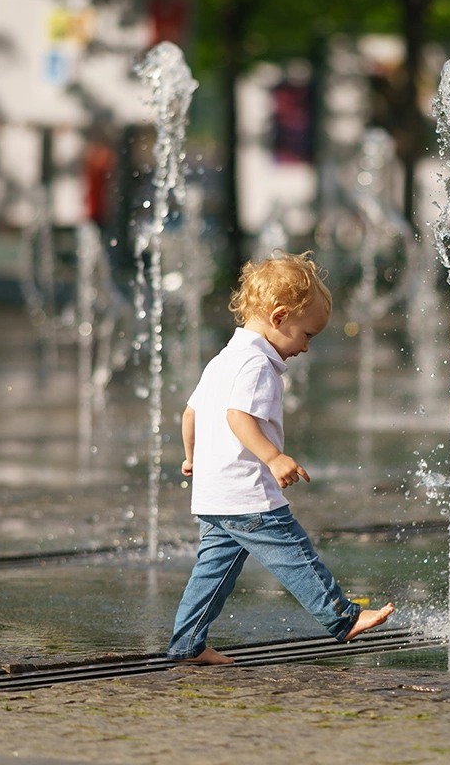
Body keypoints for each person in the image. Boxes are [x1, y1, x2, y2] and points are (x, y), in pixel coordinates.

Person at [167, 251, 395, 665]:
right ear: (279, 317)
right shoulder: (257, 365)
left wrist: (191, 456)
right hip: (248, 493)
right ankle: (343, 618)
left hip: (213, 496)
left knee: (211, 575)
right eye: (307, 334)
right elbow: (238, 417)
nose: (307, 348)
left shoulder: (223, 359)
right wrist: (272, 457)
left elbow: (191, 413)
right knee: (295, 555)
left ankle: (187, 646)